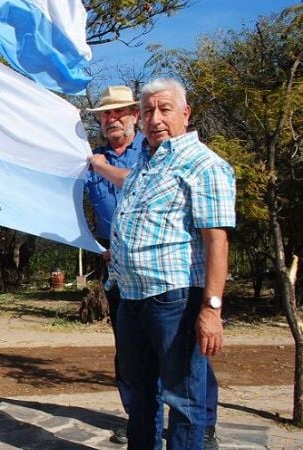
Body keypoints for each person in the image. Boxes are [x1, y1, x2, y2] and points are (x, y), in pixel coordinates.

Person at [89, 84, 223, 449]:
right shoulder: (148, 161)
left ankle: (197, 437)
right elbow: (125, 184)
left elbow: (217, 241)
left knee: (183, 394)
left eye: (163, 109)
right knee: (142, 390)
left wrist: (211, 308)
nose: (155, 119)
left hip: (174, 296)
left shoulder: (202, 164)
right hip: (129, 292)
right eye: (149, 112)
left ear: (186, 113)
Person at [84, 85, 143, 445]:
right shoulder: (90, 160)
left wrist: (103, 167)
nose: (113, 118)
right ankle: (137, 418)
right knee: (128, 345)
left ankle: (201, 424)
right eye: (106, 114)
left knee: (174, 344)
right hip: (114, 262)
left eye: (121, 111)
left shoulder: (155, 152)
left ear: (135, 115)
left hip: (158, 261)